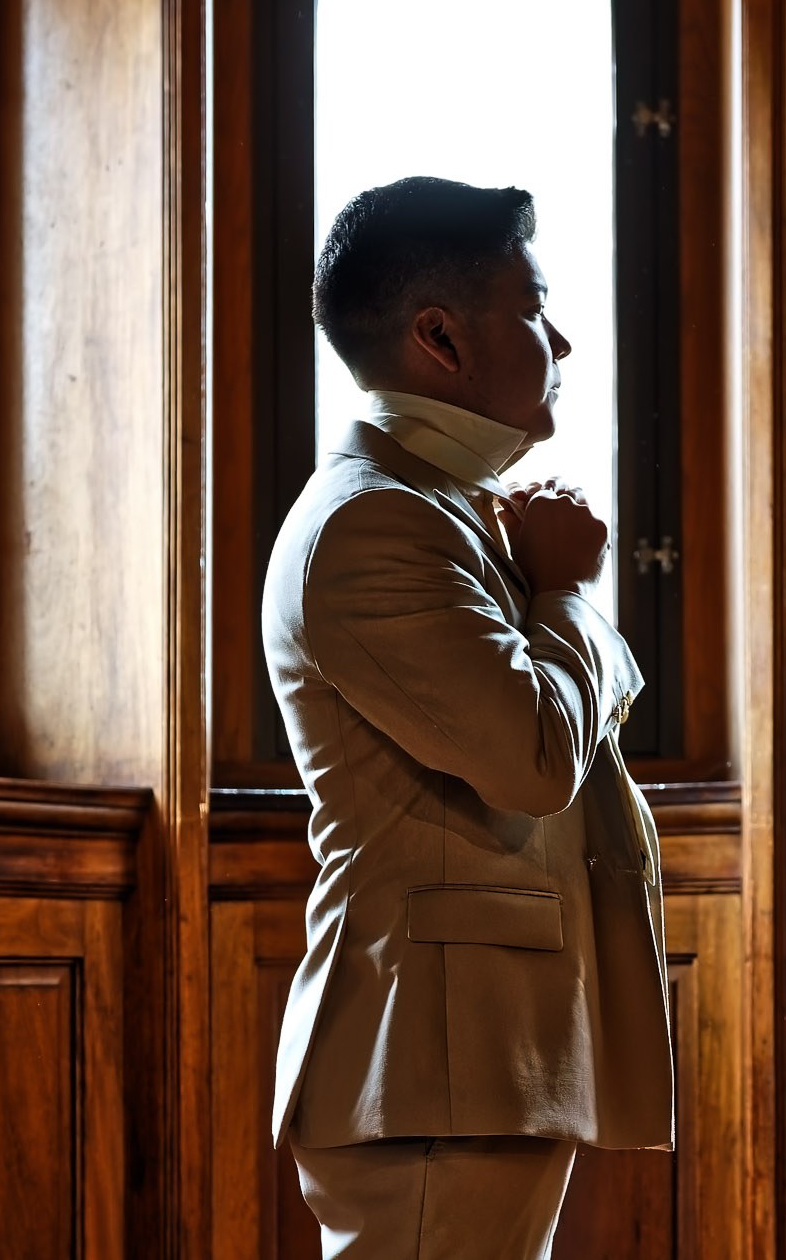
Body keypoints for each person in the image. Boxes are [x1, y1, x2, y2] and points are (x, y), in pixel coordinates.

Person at [261, 176, 674, 1258]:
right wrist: (564, 593)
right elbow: (532, 758)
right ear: (438, 337)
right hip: (434, 1061)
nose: (562, 342)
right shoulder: (372, 525)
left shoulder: (432, 511)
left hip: (468, 1060)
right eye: (533, 309)